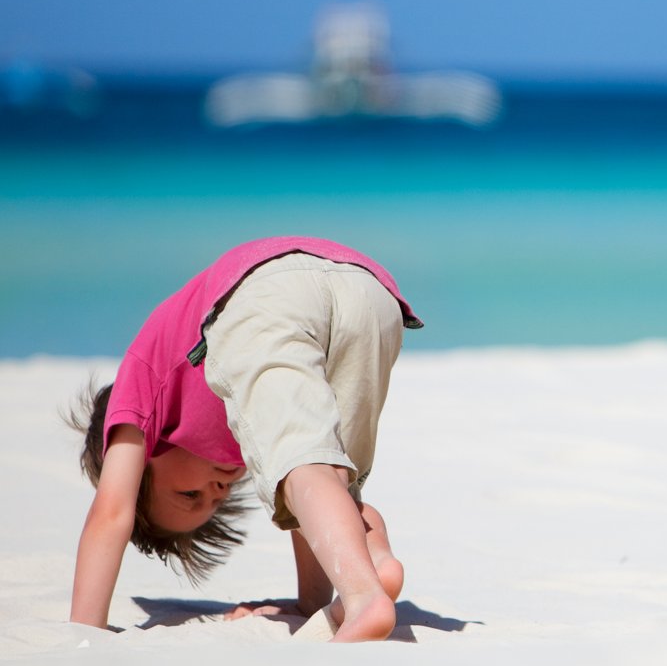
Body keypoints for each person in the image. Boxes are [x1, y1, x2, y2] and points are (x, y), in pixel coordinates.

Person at [68, 236, 424, 641]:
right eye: (214, 499)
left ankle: (363, 598)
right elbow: (311, 500)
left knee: (302, 470)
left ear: (146, 456)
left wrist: (84, 629)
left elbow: (111, 512)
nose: (216, 488)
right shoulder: (246, 416)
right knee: (332, 480)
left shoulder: (138, 395)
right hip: (369, 291)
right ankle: (375, 564)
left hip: (262, 293)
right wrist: (309, 606)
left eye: (188, 494)